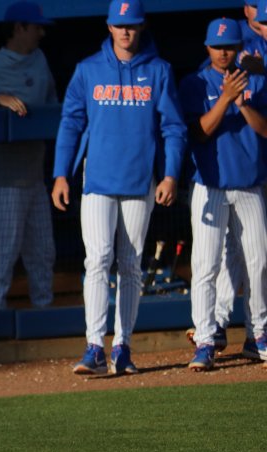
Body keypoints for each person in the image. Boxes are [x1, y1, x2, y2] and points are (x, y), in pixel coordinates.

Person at [52, 0, 186, 375]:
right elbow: (71, 123)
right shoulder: (88, 70)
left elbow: (173, 127)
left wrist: (171, 174)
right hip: (97, 182)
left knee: (130, 264)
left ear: (142, 27)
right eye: (120, 25)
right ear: (109, 27)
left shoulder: (159, 71)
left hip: (140, 181)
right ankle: (95, 345)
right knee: (96, 259)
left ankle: (123, 346)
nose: (126, 31)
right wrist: (61, 173)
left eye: (132, 25)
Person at [180, 18, 267, 370]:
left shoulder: (259, 80)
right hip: (210, 185)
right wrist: (226, 98)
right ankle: (205, 340)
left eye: (229, 46)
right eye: (217, 47)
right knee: (205, 265)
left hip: (249, 184)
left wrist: (242, 102)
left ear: (238, 48)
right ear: (207, 48)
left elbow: (264, 130)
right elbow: (198, 132)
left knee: (259, 263)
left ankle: (258, 334)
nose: (223, 52)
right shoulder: (195, 82)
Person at [0, 1, 58, 311]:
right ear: (19, 28)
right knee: (4, 253)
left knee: (43, 251)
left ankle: (43, 313)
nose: (41, 33)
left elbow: (53, 108)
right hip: (4, 179)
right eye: (36, 27)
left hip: (35, 176)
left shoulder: (40, 60)